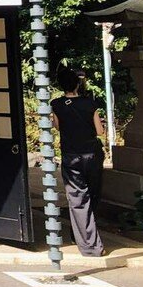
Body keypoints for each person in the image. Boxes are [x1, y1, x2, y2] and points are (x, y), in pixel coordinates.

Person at [50, 65, 106, 257]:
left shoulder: (56, 104)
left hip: (71, 155)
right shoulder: (89, 103)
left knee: (78, 199)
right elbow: (100, 131)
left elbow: (57, 127)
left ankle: (88, 244)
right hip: (92, 153)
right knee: (93, 195)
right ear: (77, 84)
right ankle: (86, 239)